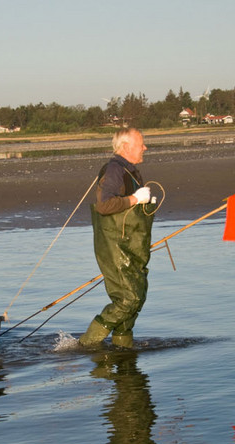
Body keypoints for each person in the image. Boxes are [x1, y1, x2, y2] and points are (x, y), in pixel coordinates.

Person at [78, 128, 156, 348]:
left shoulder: (131, 172)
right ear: (125, 147)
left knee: (137, 296)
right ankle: (85, 345)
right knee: (128, 299)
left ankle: (123, 348)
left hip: (133, 247)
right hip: (115, 246)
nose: (145, 148)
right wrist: (133, 199)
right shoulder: (114, 169)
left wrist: (142, 201)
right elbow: (104, 205)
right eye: (141, 144)